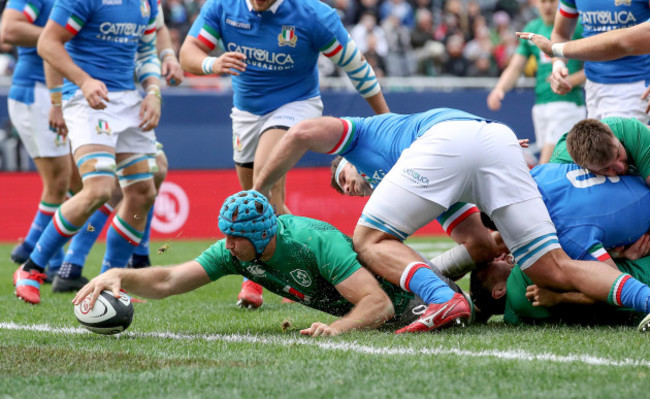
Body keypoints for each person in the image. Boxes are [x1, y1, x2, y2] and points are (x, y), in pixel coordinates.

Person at [252, 108, 650, 333]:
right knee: (552, 269)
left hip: (451, 143)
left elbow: (302, 131)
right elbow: (480, 245)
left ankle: (442, 301)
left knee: (368, 240)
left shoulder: (362, 136)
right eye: (351, 191)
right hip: (494, 141)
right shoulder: (434, 183)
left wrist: (259, 188)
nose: (355, 188)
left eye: (346, 178)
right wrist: (434, 269)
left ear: (345, 156)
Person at [178, 0, 390, 309]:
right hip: (246, 112)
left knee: (258, 191)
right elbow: (188, 53)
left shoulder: (315, 15)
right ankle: (315, 260)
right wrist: (212, 64)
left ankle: (259, 276)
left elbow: (358, 69)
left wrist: (387, 122)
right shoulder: (223, 7)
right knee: (268, 204)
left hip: (296, 106)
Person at [72, 190, 472, 336]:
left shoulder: (311, 242)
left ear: (262, 236)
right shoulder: (236, 252)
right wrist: (119, 275)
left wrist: (336, 329)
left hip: (416, 305)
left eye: (234, 237)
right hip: (388, 309)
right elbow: (169, 280)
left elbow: (379, 305)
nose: (226, 245)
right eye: (224, 235)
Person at [12, 0, 163, 305]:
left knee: (143, 191)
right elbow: (47, 43)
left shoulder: (148, 3)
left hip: (127, 101)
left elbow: (147, 51)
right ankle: (32, 269)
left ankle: (108, 282)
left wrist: (153, 92)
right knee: (98, 190)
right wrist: (81, 81)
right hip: (87, 100)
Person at [470, 161, 650, 329]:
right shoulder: (540, 172)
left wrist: (559, 298)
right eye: (492, 263)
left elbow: (609, 280)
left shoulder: (563, 237)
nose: (498, 256)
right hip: (637, 180)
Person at [330, 155, 504, 281]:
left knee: (367, 244)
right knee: (483, 246)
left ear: (353, 160)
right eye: (343, 187)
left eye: (344, 178)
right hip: (434, 183)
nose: (346, 189)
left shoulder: (384, 152)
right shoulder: (388, 193)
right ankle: (430, 284)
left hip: (443, 168)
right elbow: (481, 246)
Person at [1, 0, 69, 282]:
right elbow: (9, 29)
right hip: (36, 93)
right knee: (59, 182)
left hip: (58, 95)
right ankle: (36, 251)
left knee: (75, 182)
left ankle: (58, 264)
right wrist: (55, 34)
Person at [487, 0, 585, 164]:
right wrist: (499, 88)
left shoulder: (577, 25)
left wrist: (571, 80)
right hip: (541, 105)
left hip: (567, 104)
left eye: (552, 1)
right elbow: (516, 67)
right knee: (559, 166)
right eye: (543, 2)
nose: (547, 6)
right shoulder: (532, 28)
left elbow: (598, 63)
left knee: (546, 165)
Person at [539, 0, 650, 122]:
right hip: (593, 86)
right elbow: (561, 33)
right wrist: (558, 65)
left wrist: (555, 49)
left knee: (615, 139)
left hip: (635, 85)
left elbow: (624, 42)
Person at [550, 117, 650, 187]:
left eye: (618, 154)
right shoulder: (559, 167)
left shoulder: (632, 131)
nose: (621, 167)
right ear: (582, 166)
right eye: (606, 168)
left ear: (610, 130)